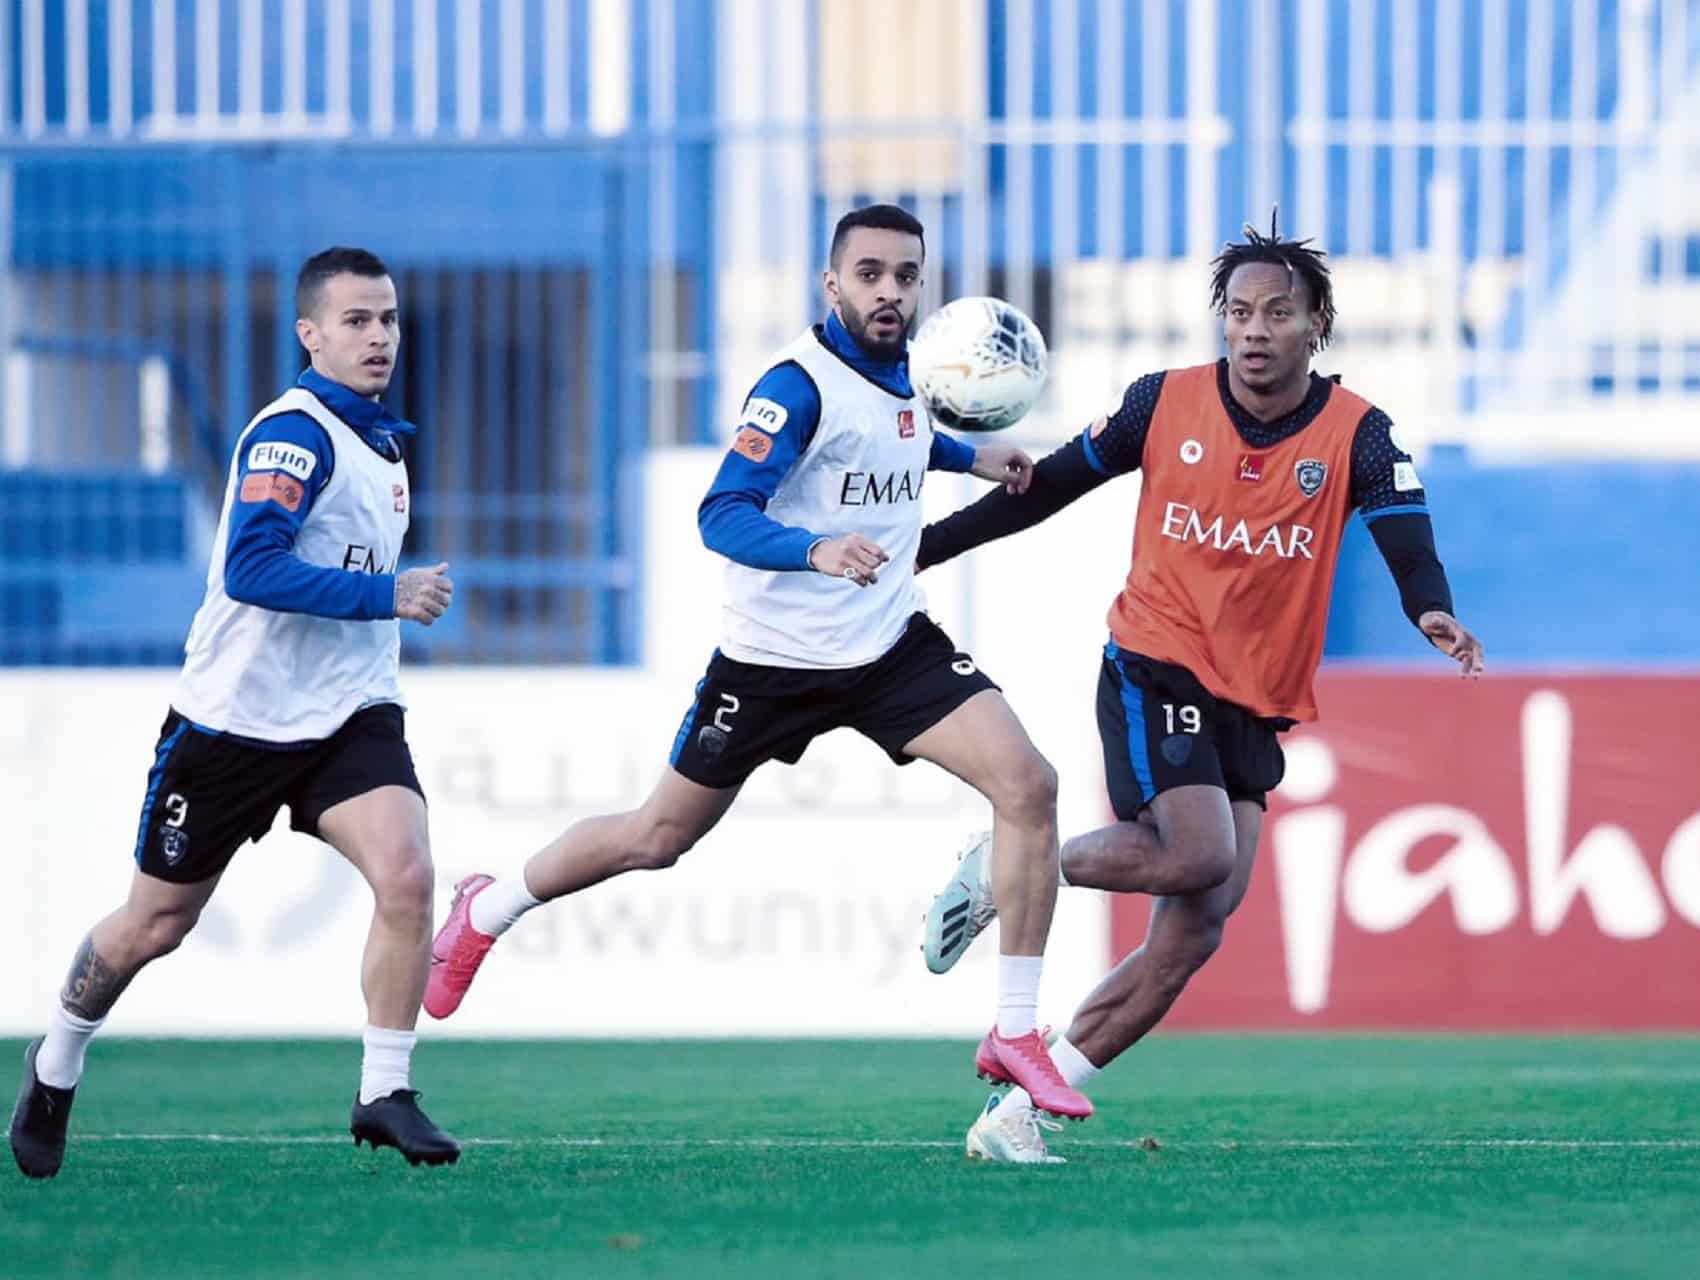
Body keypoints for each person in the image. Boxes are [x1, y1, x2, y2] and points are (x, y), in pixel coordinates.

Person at [423, 204, 1093, 1122]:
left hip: (890, 645)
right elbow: (722, 512)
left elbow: (894, 437)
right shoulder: (794, 384)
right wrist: (814, 550)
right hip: (771, 665)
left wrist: (974, 459)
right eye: (869, 275)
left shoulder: (912, 374)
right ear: (831, 284)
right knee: (655, 838)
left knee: (1029, 785)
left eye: (905, 275)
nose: (889, 291)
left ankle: (1014, 1030)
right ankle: (487, 907)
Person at [915, 219, 1486, 1163]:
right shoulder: (1162, 404)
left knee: (1196, 931)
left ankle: (1014, 1109)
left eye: (1276, 312)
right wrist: (928, 548)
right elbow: (1047, 487)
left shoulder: (1358, 433)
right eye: (1237, 311)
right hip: (1156, 657)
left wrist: (1431, 610)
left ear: (1316, 326)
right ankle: (1014, 862)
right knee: (1193, 854)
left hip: (1255, 696)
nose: (1253, 328)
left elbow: (1404, 530)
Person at [10, 248, 461, 1178]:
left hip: (348, 715)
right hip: (232, 726)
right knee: (155, 925)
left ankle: (384, 1091)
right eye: (355, 321)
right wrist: (387, 595)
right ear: (310, 334)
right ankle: (55, 1062)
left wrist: (381, 612)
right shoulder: (290, 437)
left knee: (409, 875)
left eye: (387, 320)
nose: (378, 336)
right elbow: (253, 569)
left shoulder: (382, 442)